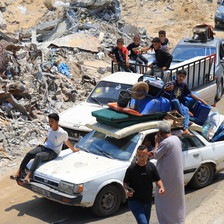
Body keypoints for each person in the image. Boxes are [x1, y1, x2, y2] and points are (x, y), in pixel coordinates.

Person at [10, 113, 80, 183]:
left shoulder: (62, 133)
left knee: (38, 156)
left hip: (53, 152)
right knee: (29, 153)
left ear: (57, 122)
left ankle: (28, 175)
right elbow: (47, 137)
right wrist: (43, 144)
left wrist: (73, 150)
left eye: (52, 121)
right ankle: (19, 172)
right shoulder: (50, 128)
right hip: (45, 147)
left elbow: (67, 142)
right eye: (49, 121)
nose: (50, 123)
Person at [149, 121, 185, 224]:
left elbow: (156, 155)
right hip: (176, 178)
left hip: (167, 180)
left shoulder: (166, 142)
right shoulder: (176, 139)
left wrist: (156, 142)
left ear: (160, 132)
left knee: (163, 202)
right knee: (176, 203)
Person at [124, 145, 165, 224]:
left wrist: (161, 187)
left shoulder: (151, 167)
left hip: (148, 201)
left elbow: (158, 180)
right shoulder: (131, 168)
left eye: (143, 156)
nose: (141, 158)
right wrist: (127, 190)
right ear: (136, 155)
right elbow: (125, 183)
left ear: (147, 155)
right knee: (143, 223)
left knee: (146, 222)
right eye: (139, 156)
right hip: (135, 201)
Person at [164, 69, 208, 135]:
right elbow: (164, 88)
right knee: (175, 101)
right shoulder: (173, 83)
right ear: (177, 76)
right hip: (172, 102)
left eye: (183, 77)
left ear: (185, 78)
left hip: (179, 103)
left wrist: (201, 100)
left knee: (186, 109)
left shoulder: (184, 85)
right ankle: (185, 120)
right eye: (180, 76)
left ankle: (186, 129)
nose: (181, 78)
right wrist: (169, 88)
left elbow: (191, 94)